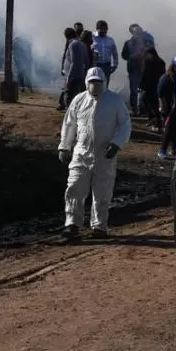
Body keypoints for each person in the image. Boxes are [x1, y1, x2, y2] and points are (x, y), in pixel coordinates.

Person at [58, 67, 132, 239]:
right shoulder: (79, 100)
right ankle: (72, 224)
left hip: (105, 155)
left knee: (102, 192)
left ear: (104, 82)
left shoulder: (114, 101)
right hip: (81, 153)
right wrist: (64, 146)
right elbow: (69, 125)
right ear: (87, 82)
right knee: (74, 188)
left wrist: (116, 144)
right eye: (92, 82)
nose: (95, 86)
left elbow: (125, 125)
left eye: (98, 82)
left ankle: (99, 227)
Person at [121, 24, 156, 116]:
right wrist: (132, 56)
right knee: (133, 90)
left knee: (144, 89)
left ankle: (143, 109)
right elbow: (124, 55)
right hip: (133, 69)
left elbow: (152, 52)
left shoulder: (147, 41)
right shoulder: (128, 43)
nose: (137, 33)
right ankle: (134, 110)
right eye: (135, 31)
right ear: (132, 32)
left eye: (138, 30)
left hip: (145, 68)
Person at [140, 47, 166, 132]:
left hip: (152, 86)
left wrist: (142, 85)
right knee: (148, 102)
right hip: (156, 86)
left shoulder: (149, 62)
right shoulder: (161, 62)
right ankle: (154, 119)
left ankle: (157, 122)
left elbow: (144, 74)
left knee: (152, 104)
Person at [61, 27, 89, 108]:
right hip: (80, 75)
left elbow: (74, 62)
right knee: (77, 96)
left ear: (67, 37)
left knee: (69, 96)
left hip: (73, 76)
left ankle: (69, 114)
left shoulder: (73, 44)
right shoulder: (82, 44)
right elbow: (86, 61)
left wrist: (69, 78)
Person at [91, 20, 119, 86]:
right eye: (102, 30)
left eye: (105, 30)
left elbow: (114, 53)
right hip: (95, 65)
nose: (104, 32)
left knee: (105, 84)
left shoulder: (110, 40)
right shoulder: (92, 37)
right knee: (95, 84)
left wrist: (115, 65)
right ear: (97, 29)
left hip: (107, 65)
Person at [57, 28, 75, 110]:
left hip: (72, 68)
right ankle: (63, 104)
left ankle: (65, 104)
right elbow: (65, 55)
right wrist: (62, 67)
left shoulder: (75, 42)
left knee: (68, 87)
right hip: (69, 68)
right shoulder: (70, 42)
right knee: (67, 87)